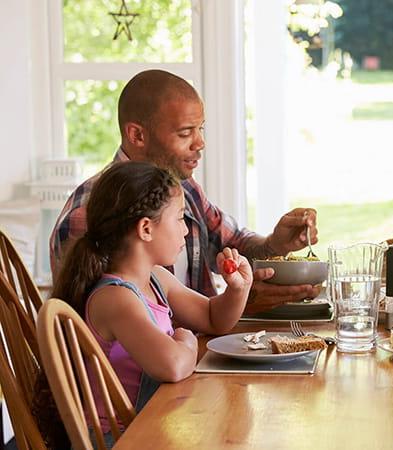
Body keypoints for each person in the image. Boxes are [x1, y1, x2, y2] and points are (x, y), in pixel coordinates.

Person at [50, 69, 319, 313]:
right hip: (155, 364)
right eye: (185, 133)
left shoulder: (182, 188)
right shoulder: (89, 212)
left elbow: (231, 242)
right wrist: (238, 304)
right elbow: (105, 327)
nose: (200, 143)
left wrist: (275, 244)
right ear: (137, 136)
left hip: (199, 348)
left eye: (200, 129)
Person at [51, 162, 254, 442]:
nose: (185, 230)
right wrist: (186, 341)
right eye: (180, 219)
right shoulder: (116, 298)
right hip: (121, 439)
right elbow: (172, 366)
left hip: (152, 426)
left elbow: (212, 317)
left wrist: (238, 290)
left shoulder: (156, 278)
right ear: (146, 229)